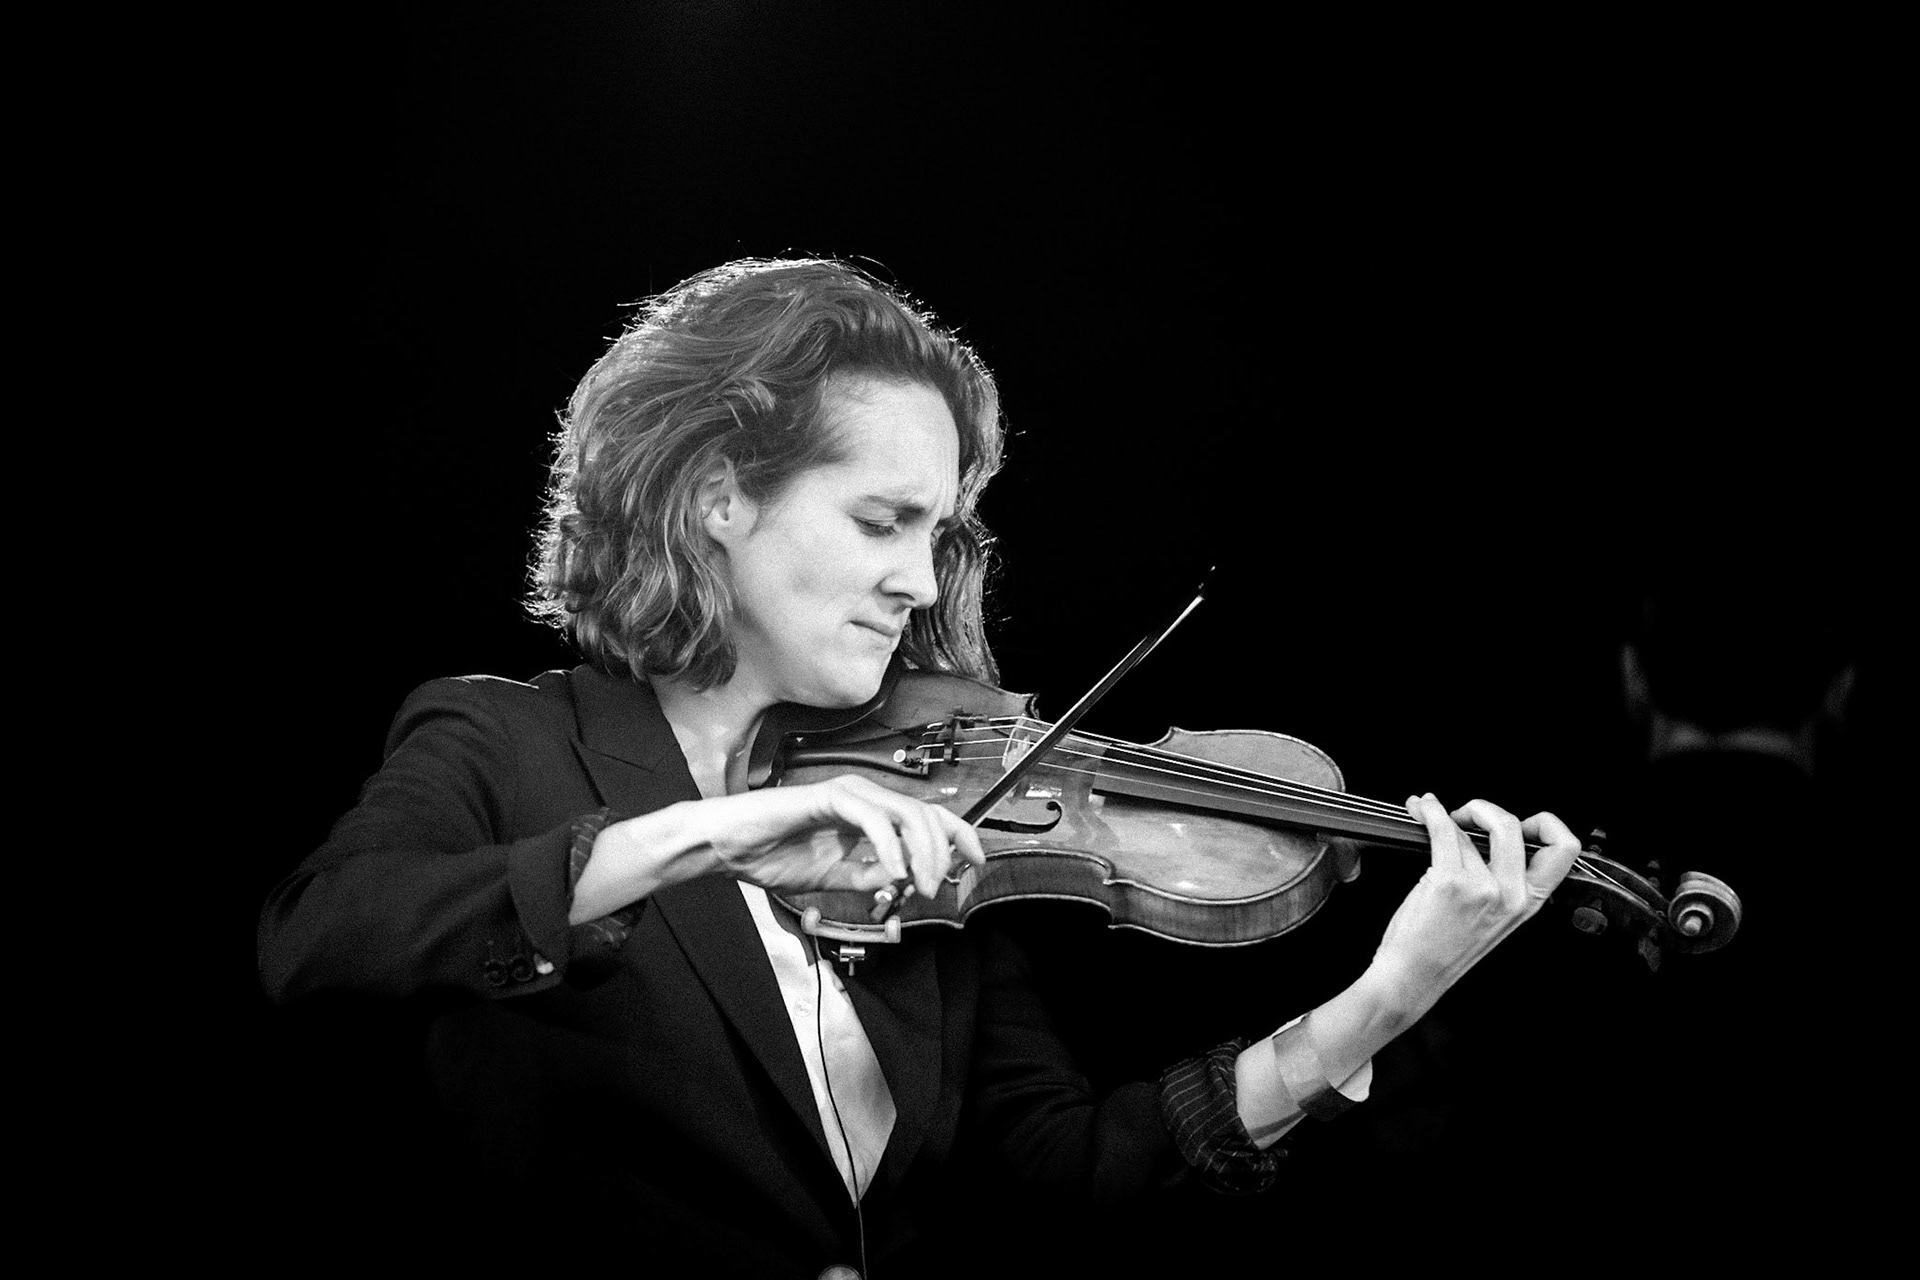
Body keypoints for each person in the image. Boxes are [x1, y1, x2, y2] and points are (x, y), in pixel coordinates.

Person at [257, 258, 1581, 1277]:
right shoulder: (507, 742)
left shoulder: (936, 814)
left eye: (938, 534)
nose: (918, 578)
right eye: (882, 520)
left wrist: (1384, 1000)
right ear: (719, 496)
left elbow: (1062, 1172)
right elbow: (323, 946)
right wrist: (703, 838)